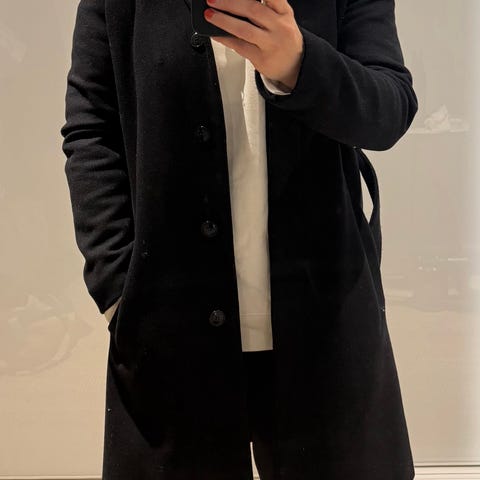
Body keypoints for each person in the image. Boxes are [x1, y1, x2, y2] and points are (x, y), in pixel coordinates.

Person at [60, 0, 418, 478]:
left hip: (326, 324)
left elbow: (390, 109)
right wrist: (118, 288)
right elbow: (91, 129)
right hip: (168, 327)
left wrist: (298, 64)